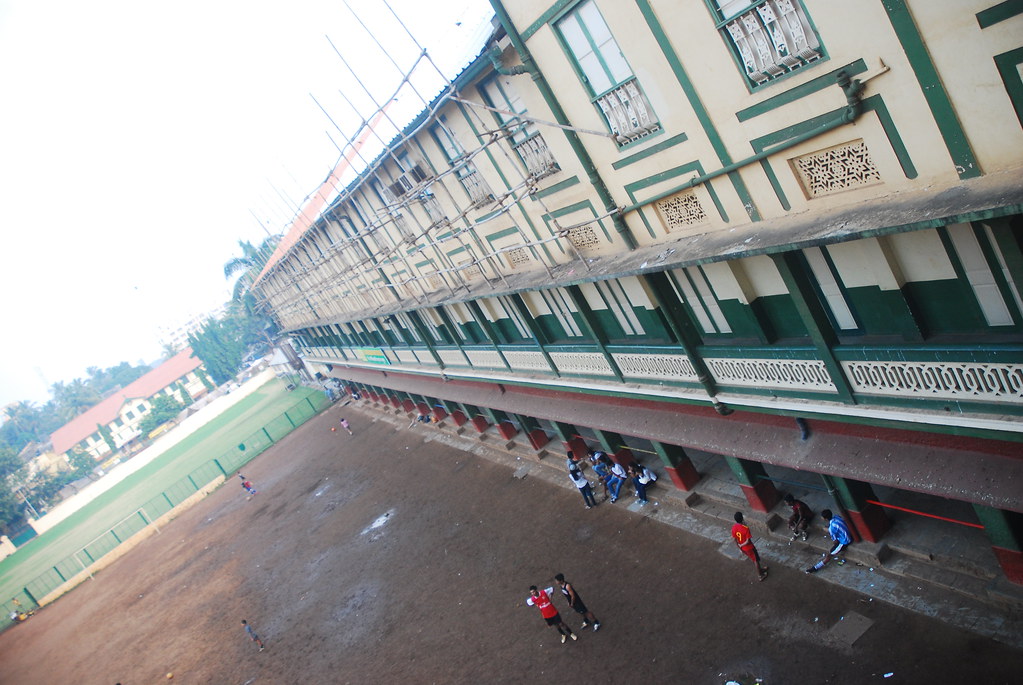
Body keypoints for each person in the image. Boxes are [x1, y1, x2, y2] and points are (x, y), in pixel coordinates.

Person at [805, 509, 853, 574]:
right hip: (847, 533)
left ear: (825, 519)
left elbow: (835, 541)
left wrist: (828, 531)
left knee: (829, 554)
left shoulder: (831, 528)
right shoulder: (837, 517)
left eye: (822, 517)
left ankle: (816, 567)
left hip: (845, 541)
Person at [731, 512, 768, 581]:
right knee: (755, 560)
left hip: (743, 548)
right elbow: (747, 541)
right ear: (742, 518)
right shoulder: (745, 528)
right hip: (749, 548)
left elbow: (735, 539)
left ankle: (760, 570)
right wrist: (742, 545)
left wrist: (739, 547)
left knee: (753, 559)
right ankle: (760, 575)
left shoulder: (734, 527)